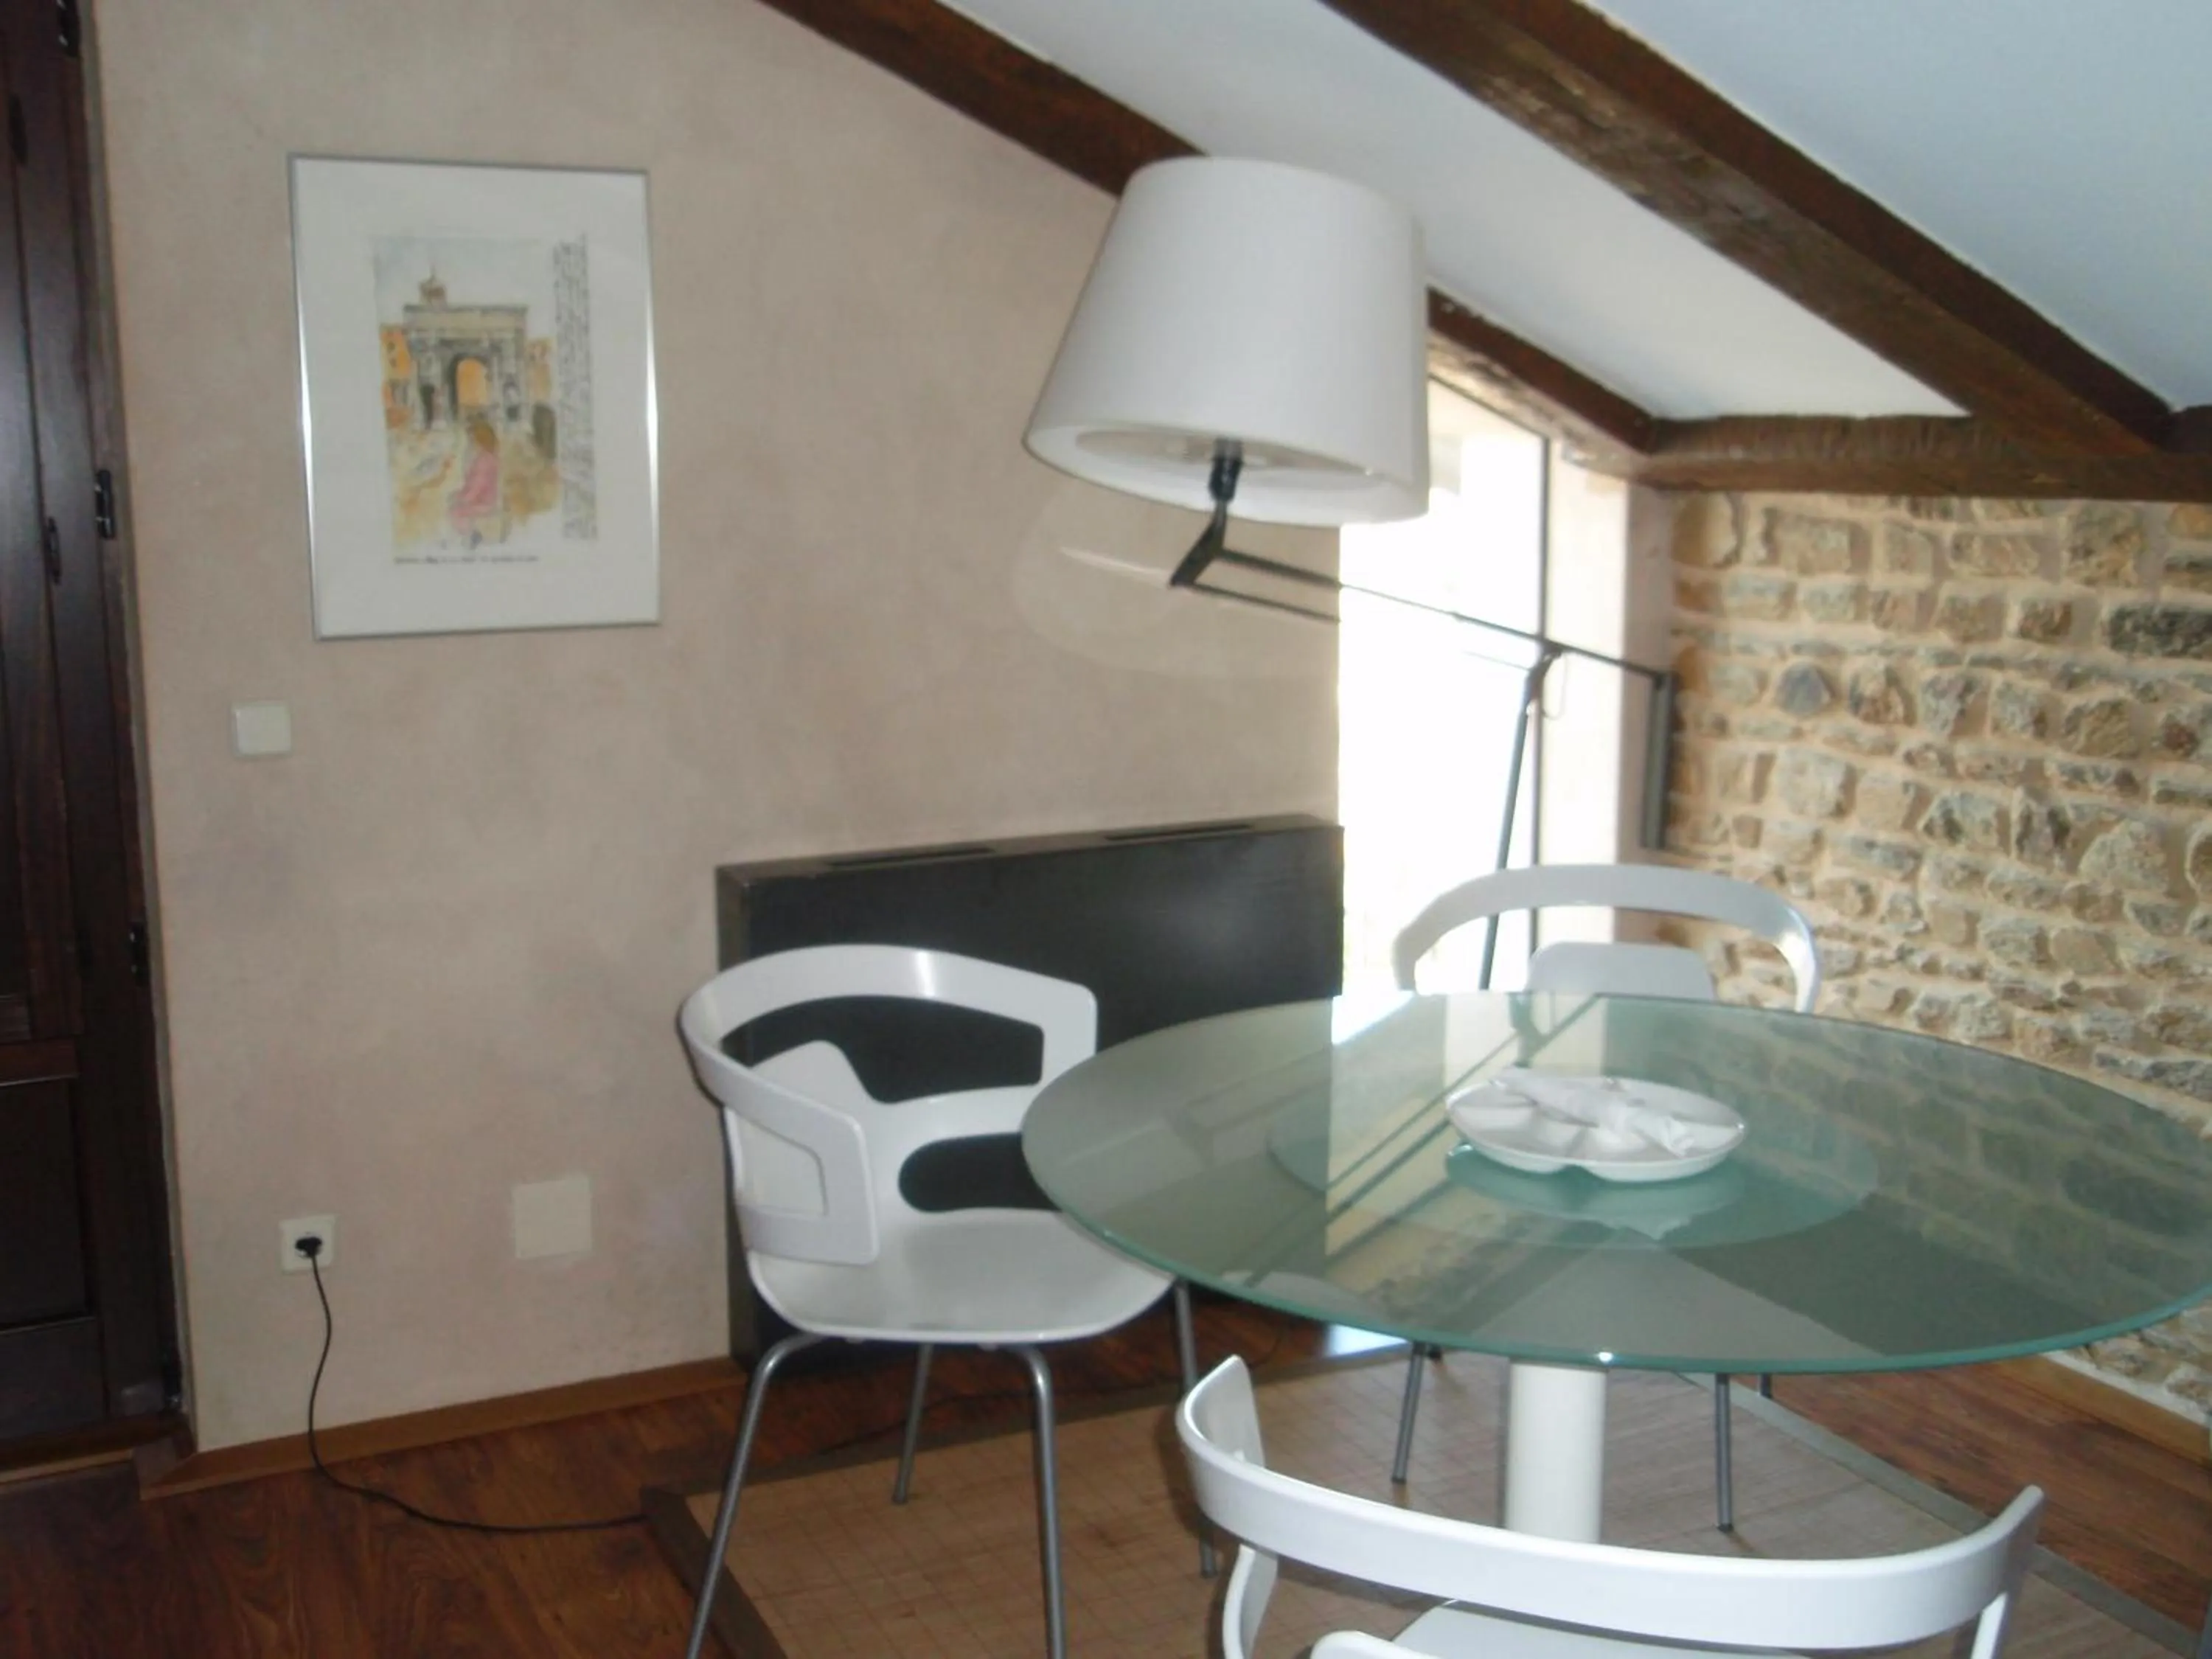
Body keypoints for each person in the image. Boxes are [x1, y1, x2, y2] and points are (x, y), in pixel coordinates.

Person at [447, 418, 502, 548]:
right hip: (480, 499)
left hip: (484, 502)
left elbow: (477, 486)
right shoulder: (485, 457)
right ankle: (469, 536)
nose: (470, 443)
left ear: (480, 440)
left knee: (456, 511)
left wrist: (463, 499)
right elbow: (471, 485)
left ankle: (471, 536)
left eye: (472, 439)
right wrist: (460, 495)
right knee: (454, 506)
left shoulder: (484, 460)